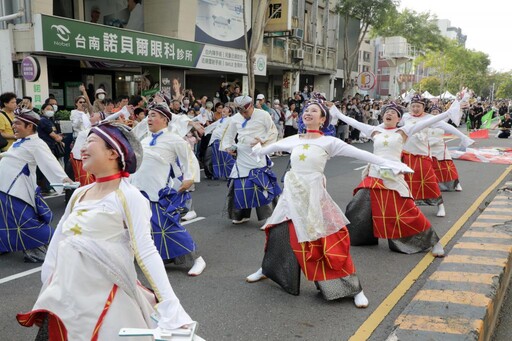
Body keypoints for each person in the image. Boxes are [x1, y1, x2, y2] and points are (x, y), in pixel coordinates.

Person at [17, 122, 195, 339]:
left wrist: (169, 304)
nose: (82, 148)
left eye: (91, 141)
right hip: (64, 296)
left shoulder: (130, 196)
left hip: (106, 299)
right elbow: (60, 237)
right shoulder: (79, 193)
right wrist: (49, 277)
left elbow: (146, 250)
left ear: (113, 152)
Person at [245, 96, 412, 306]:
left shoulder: (330, 142)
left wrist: (393, 165)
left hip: (314, 196)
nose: (308, 113)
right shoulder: (294, 139)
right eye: (306, 110)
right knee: (278, 231)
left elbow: (363, 155)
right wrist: (257, 146)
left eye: (314, 111)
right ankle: (267, 269)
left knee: (332, 240)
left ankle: (354, 287)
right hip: (291, 196)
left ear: (323, 118)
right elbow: (262, 151)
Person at [328, 99, 466, 256]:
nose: (389, 114)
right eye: (387, 112)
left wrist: (448, 112)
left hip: (393, 177)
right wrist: (337, 112)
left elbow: (431, 120)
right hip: (374, 175)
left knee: (408, 210)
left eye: (393, 113)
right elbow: (352, 121)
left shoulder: (404, 131)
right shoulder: (374, 131)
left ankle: (434, 242)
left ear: (399, 119)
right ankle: (355, 237)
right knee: (358, 203)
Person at [130, 105, 205, 276]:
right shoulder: (144, 140)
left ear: (165, 120)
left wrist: (189, 178)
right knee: (145, 227)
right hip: (140, 190)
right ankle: (158, 258)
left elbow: (189, 159)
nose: (148, 119)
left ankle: (197, 259)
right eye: (148, 116)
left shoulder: (174, 139)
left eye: (153, 115)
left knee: (168, 227)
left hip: (159, 191)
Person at [0, 109, 72, 262]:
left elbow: (50, 162)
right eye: (13, 123)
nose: (13, 126)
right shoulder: (19, 141)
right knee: (5, 218)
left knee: (25, 220)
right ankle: (5, 245)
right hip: (4, 186)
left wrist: (63, 178)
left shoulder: (37, 144)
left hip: (17, 189)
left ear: (29, 126)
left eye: (17, 123)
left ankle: (48, 246)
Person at [220, 96, 280, 224]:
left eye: (245, 112)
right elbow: (228, 135)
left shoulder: (263, 115)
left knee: (260, 183)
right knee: (240, 184)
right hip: (242, 154)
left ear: (251, 106)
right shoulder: (235, 118)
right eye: (240, 112)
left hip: (258, 152)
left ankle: (270, 217)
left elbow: (273, 132)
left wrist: (263, 141)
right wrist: (228, 147)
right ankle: (241, 215)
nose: (243, 114)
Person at [428, 104, 470, 191]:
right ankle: (433, 185)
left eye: (437, 112)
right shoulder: (426, 122)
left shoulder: (442, 121)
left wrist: (464, 138)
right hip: (428, 148)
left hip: (440, 147)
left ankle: (456, 184)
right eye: (433, 112)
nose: (435, 113)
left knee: (448, 167)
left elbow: (452, 127)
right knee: (430, 168)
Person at [204, 105, 235, 179]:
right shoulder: (220, 120)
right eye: (223, 110)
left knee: (226, 159)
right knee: (211, 158)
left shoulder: (231, 119)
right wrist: (202, 129)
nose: (223, 112)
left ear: (229, 113)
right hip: (214, 141)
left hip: (223, 142)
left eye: (225, 110)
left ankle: (232, 173)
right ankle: (211, 174)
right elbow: (210, 126)